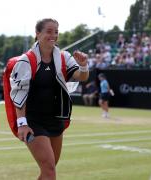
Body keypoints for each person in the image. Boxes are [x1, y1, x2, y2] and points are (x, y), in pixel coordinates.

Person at [9, 18, 89, 180]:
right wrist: (22, 124)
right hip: (33, 121)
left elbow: (82, 77)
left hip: (55, 121)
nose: (53, 35)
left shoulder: (64, 57)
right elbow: (19, 94)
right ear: (38, 34)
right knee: (50, 170)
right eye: (49, 31)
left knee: (48, 171)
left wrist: (83, 65)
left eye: (56, 32)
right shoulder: (26, 60)